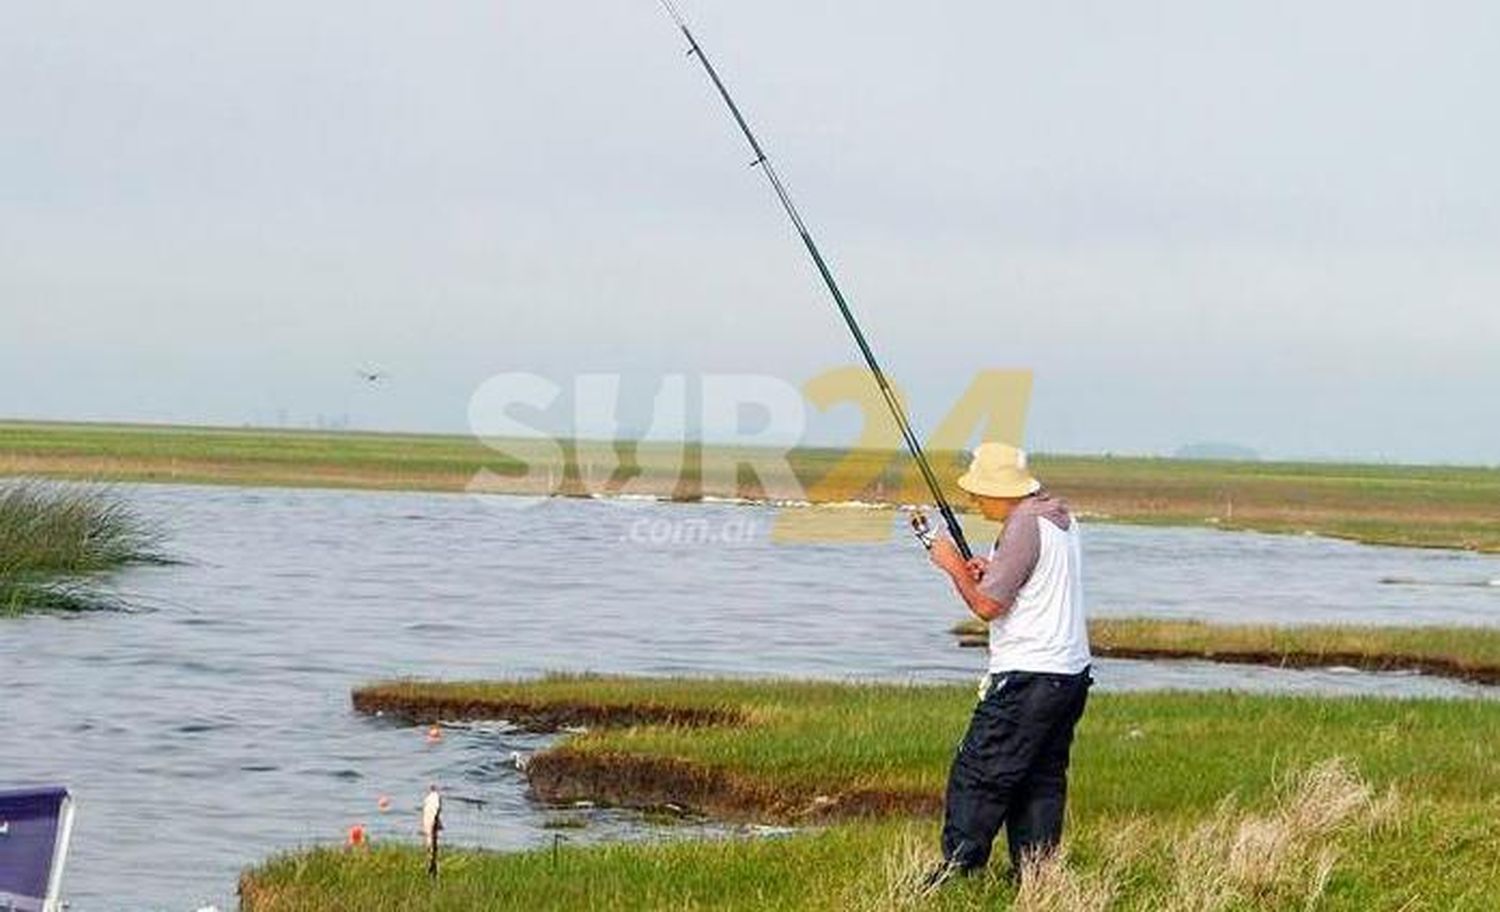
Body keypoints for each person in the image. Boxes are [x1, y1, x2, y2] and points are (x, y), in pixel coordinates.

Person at [925, 442, 1092, 883]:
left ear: (1002, 491)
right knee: (1040, 778)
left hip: (1029, 675)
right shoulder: (1059, 518)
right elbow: (1025, 581)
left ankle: (958, 872)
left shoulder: (1022, 525)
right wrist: (992, 567)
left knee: (979, 771)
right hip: (1068, 674)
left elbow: (986, 606)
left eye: (979, 492)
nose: (974, 500)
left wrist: (952, 566)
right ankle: (1036, 877)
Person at [421, 784, 444, 877]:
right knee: (432, 846)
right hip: (430, 825)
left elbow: (434, 813)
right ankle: (432, 868)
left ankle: (432, 867)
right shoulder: (435, 799)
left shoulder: (428, 799)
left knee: (431, 846)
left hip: (430, 825)